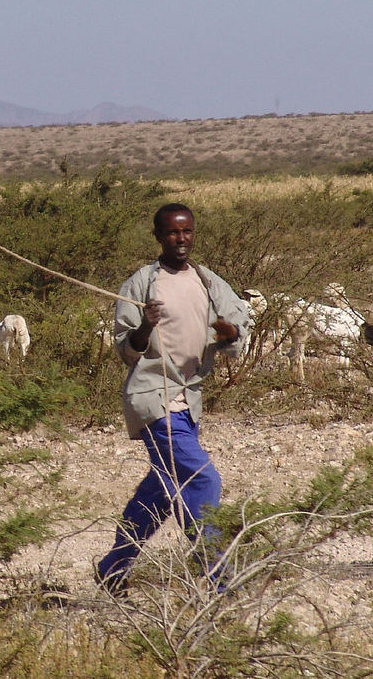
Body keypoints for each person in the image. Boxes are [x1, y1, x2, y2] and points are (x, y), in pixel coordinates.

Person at [96, 203, 252, 596]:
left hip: (189, 398)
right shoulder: (141, 284)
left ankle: (113, 569)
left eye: (186, 232)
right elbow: (127, 350)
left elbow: (237, 330)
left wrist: (229, 331)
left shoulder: (207, 280)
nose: (180, 240)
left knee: (163, 490)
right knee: (202, 478)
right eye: (171, 233)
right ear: (158, 237)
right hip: (153, 398)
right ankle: (218, 579)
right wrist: (145, 325)